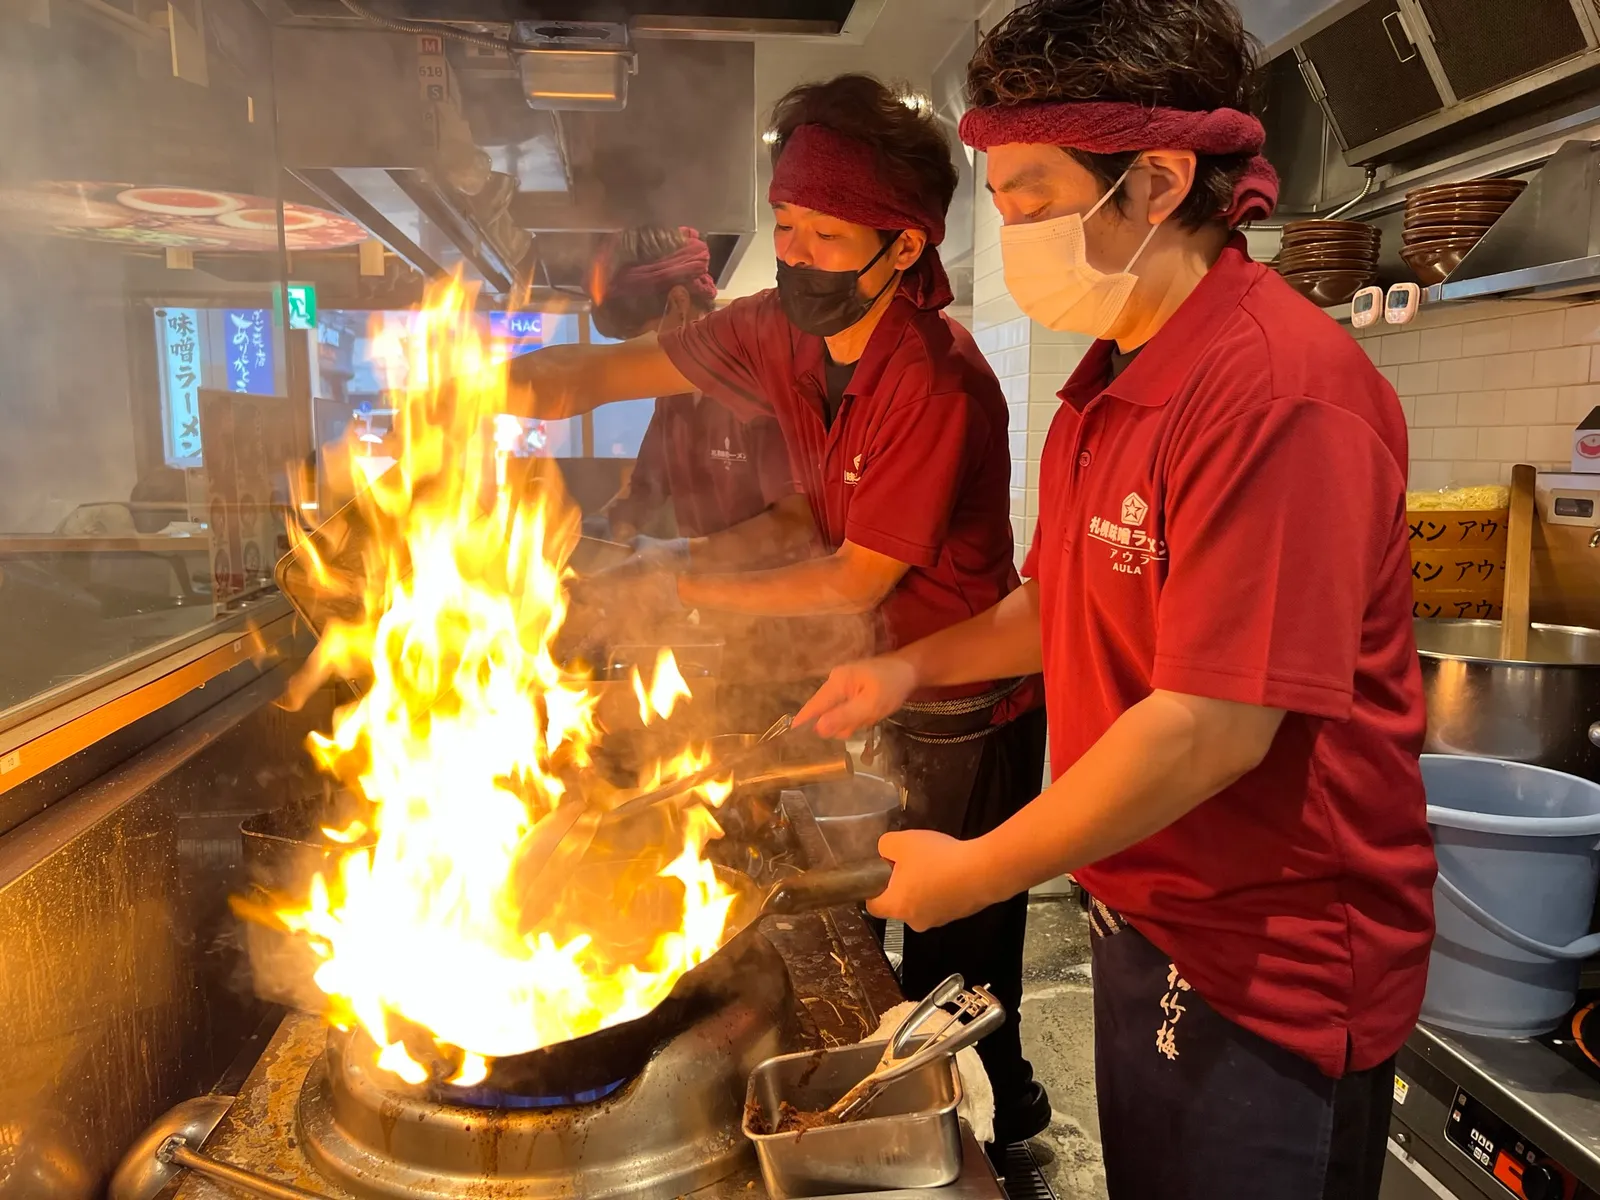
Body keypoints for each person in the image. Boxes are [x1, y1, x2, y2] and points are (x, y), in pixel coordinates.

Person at [795, 4, 1436, 1198]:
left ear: (1153, 182)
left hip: (1269, 964)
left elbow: (1210, 725)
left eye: (1031, 193)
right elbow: (1063, 602)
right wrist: (903, 668)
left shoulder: (1277, 394)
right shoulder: (1111, 378)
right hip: (1148, 908)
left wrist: (977, 869)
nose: (1008, 225)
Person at [511, 73, 1053, 1150]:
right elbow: (597, 374)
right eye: (787, 226)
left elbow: (857, 578)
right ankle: (874, 1105)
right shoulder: (777, 335)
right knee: (850, 931)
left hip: (959, 697)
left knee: (955, 947)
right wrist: (460, 393)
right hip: (862, 678)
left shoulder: (934, 379)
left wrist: (666, 584)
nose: (795, 253)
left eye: (824, 233)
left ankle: (987, 1128)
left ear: (902, 247)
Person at [584, 226, 812, 566]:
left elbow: (795, 525)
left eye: (638, 340)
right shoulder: (671, 391)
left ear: (678, 302)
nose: (635, 359)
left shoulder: (758, 380)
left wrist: (682, 555)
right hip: (714, 608)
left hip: (783, 607)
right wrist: (599, 528)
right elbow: (646, 488)